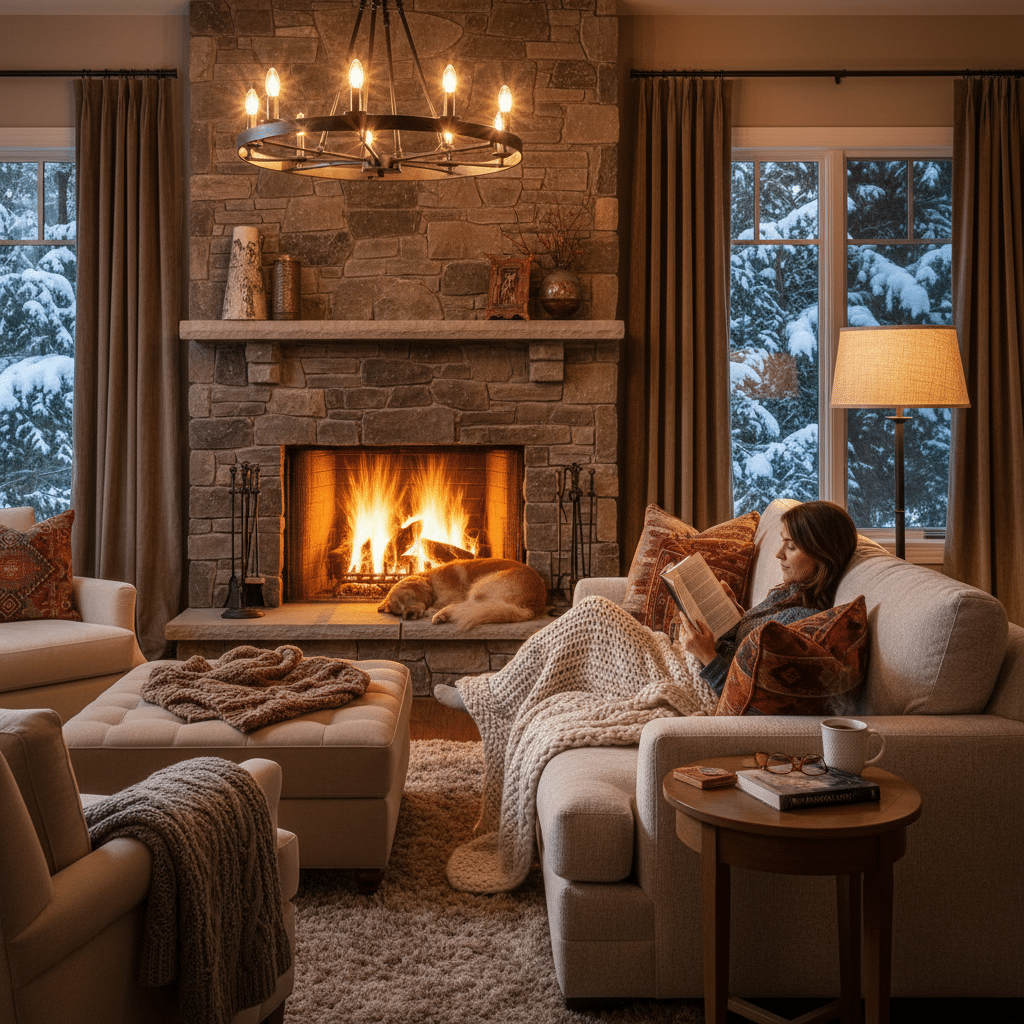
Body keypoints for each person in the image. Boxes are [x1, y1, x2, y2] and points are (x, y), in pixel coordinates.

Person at [440, 500, 859, 893]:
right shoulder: (786, 594)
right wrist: (729, 619)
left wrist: (708, 655)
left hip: (692, 683)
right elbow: (746, 652)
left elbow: (738, 689)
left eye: (790, 547)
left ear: (821, 556)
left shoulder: (803, 620)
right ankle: (497, 692)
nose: (779, 556)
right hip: (685, 658)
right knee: (595, 616)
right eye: (781, 543)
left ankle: (493, 694)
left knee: (595, 614)